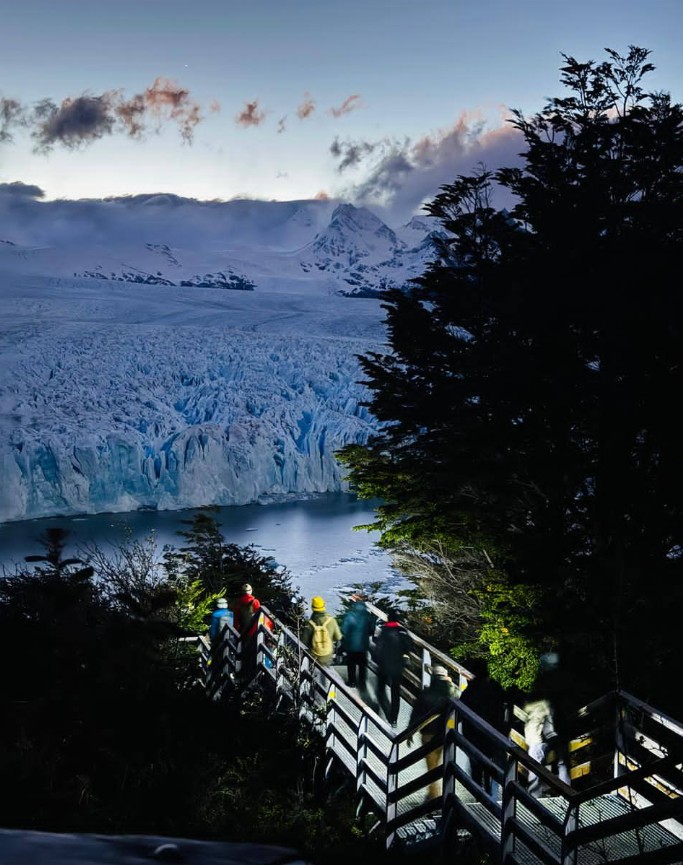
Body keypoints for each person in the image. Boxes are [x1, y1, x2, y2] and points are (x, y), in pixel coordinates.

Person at [522, 654, 571, 797]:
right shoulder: (562, 684)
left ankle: (534, 798)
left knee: (535, 766)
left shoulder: (539, 685)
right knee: (563, 765)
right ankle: (567, 796)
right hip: (560, 730)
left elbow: (530, 706)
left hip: (538, 730)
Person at [458, 658, 507, 798]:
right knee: (493, 766)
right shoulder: (495, 687)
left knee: (477, 766)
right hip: (493, 734)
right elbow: (505, 703)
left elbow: (461, 712)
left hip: (474, 735)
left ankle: (479, 795)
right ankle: (492, 795)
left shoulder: (469, 691)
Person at [407, 664, 457, 799]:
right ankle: (434, 794)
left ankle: (434, 797)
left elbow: (415, 714)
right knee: (440, 765)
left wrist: (409, 733)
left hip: (428, 735)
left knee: (432, 767)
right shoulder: (451, 695)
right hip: (444, 735)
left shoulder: (426, 694)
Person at [372, 609, 413, 728]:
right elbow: (409, 646)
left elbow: (377, 648)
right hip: (397, 666)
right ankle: (394, 719)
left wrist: (377, 659)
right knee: (396, 692)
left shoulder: (383, 631)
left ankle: (378, 712)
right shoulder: (402, 632)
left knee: (380, 690)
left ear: (388, 619)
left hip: (384, 665)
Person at [340, 593, 377, 691]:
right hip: (363, 644)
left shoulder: (350, 614)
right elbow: (371, 630)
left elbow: (344, 629)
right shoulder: (368, 615)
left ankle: (352, 681)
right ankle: (362, 683)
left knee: (351, 663)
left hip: (351, 644)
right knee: (362, 664)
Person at [303, 596, 342, 667]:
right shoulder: (331, 621)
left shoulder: (310, 623)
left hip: (314, 655)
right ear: (324, 606)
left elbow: (304, 641)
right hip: (327, 655)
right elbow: (338, 637)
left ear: (312, 607)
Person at [233, 583, 262, 678]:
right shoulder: (255, 602)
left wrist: (236, 631)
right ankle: (253, 674)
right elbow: (260, 617)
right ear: (251, 591)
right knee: (254, 652)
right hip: (254, 631)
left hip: (243, 631)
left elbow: (236, 619)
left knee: (244, 652)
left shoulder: (238, 602)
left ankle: (243, 673)